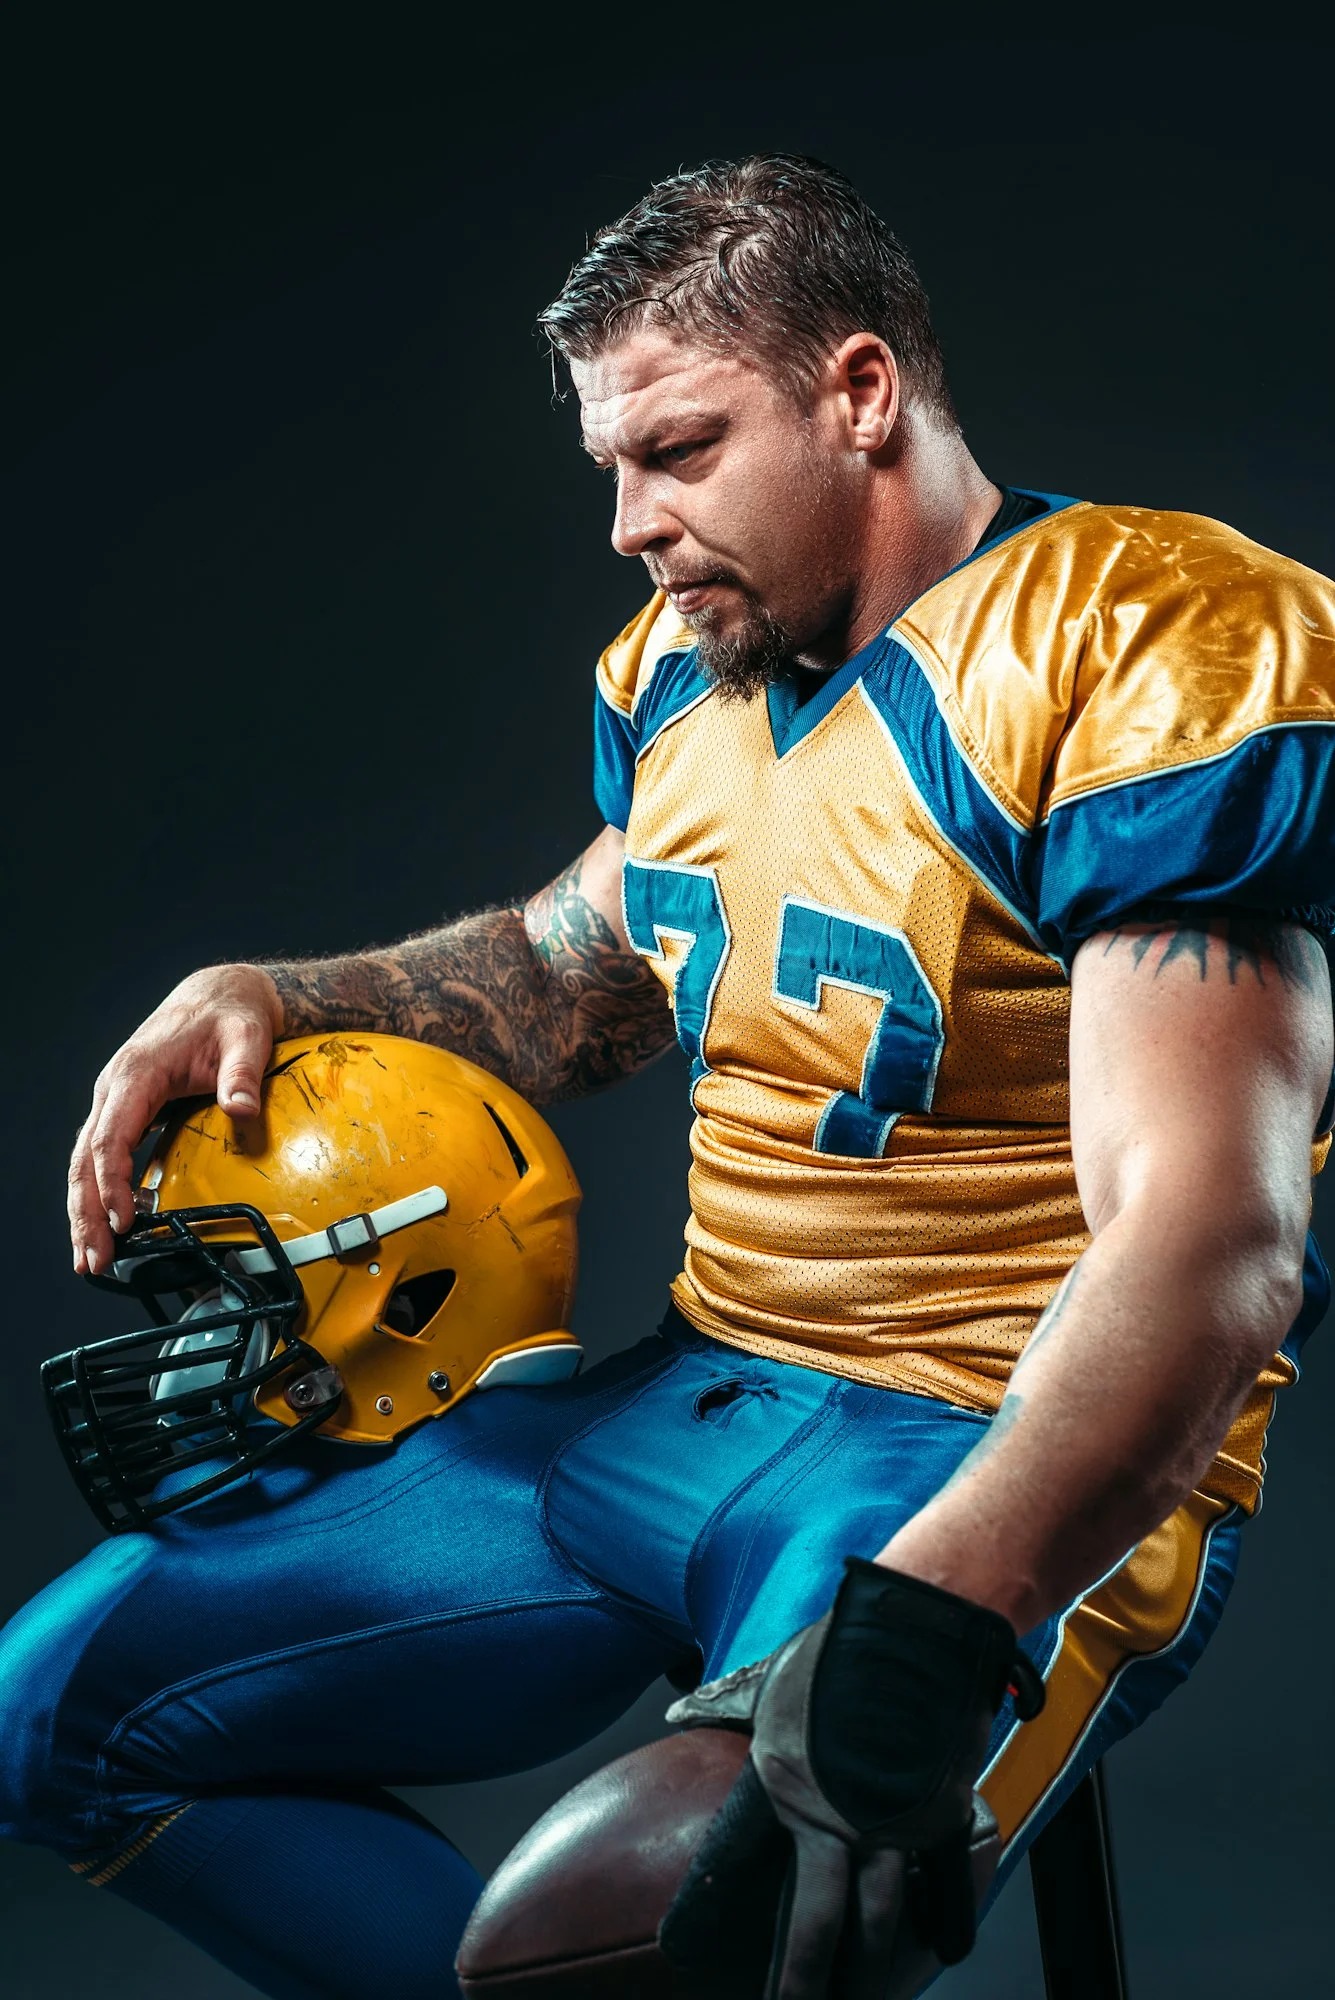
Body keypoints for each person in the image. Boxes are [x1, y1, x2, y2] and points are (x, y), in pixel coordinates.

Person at [3, 153, 1333, 1999]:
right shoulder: (690, 675)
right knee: (53, 1712)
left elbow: (1212, 1236)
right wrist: (270, 988)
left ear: (859, 395)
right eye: (609, 469)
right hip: (693, 1400)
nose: (628, 521)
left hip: (971, 1436)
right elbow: (567, 986)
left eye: (679, 451)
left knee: (656, 1931)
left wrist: (935, 1617)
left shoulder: (1128, 640)